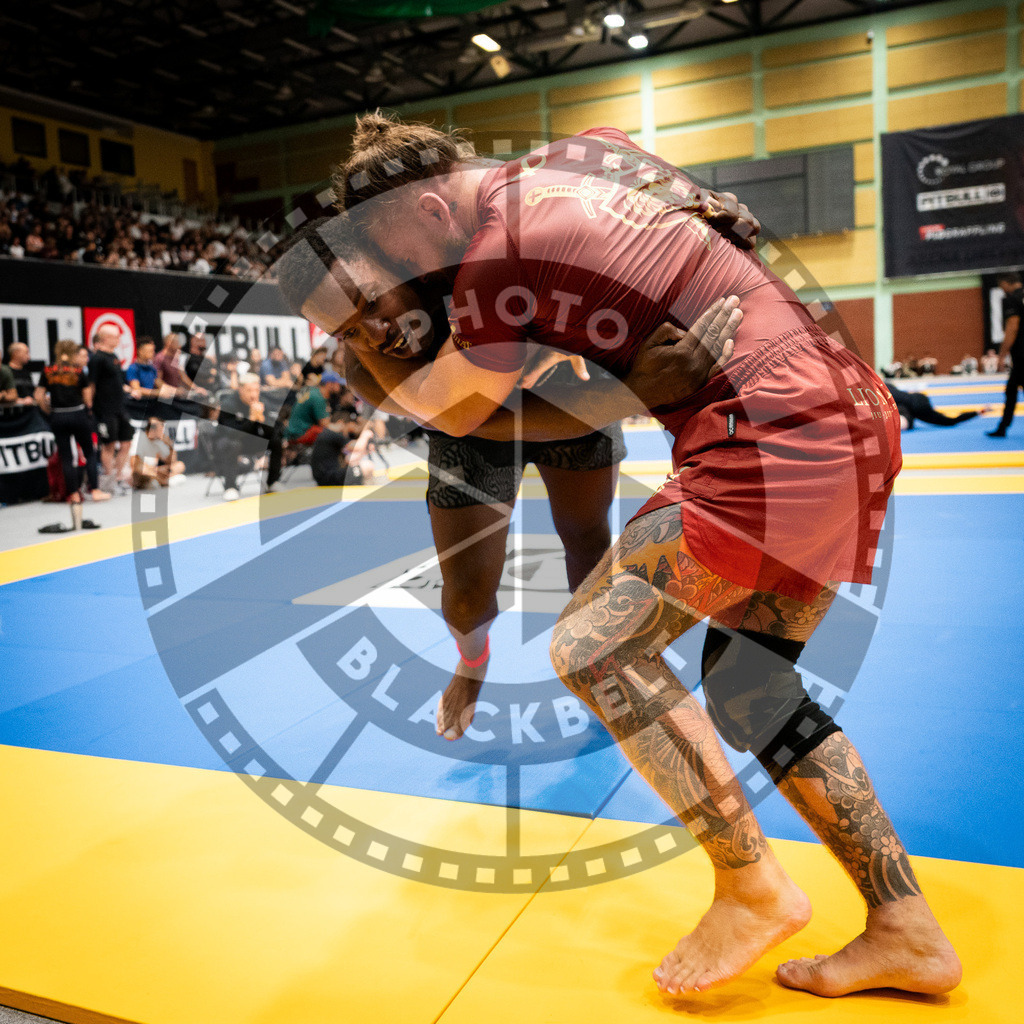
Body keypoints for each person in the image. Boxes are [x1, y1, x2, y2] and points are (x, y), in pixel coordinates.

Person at [333, 115, 961, 998]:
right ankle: (908, 930)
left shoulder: (487, 266)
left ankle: (750, 885)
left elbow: (461, 413)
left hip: (766, 434)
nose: (415, 277)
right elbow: (710, 205)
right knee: (752, 685)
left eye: (404, 255)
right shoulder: (586, 149)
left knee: (590, 644)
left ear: (433, 206)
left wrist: (370, 372)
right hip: (851, 406)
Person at [280, 211, 741, 747]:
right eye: (349, 331)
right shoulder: (365, 370)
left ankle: (604, 662)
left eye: (372, 304)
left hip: (571, 391)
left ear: (392, 258)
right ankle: (471, 661)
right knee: (466, 599)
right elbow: (472, 420)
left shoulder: (470, 261)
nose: (375, 335)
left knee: (586, 537)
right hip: (475, 420)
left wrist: (694, 212)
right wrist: (628, 394)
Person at [34, 339, 110, 506]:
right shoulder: (77, 371)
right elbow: (88, 398)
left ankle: (74, 494)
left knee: (66, 456)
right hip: (78, 414)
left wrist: (49, 410)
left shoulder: (48, 370)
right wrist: (85, 407)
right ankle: (95, 491)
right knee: (89, 453)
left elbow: (39, 396)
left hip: (58, 416)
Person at [214, 373, 283, 500]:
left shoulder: (262, 403)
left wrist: (262, 420)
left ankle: (272, 482)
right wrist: (250, 419)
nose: (253, 394)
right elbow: (231, 434)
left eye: (256, 390)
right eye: (249, 390)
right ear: (240, 389)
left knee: (275, 441)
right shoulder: (229, 404)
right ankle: (230, 487)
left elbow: (274, 432)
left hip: (250, 441)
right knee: (233, 444)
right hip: (227, 443)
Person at [88, 323, 134, 490]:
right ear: (105, 338)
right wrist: (90, 407)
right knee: (108, 444)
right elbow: (91, 385)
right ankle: (109, 480)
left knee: (126, 442)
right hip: (105, 410)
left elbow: (116, 381)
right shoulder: (96, 359)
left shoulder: (114, 356)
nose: (118, 339)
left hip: (120, 407)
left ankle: (119, 475)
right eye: (115, 336)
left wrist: (126, 388)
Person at [986, 271, 1023, 438]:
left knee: (1011, 391)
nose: (1002, 290)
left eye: (1002, 287)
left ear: (1006, 283)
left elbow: (1012, 327)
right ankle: (1002, 427)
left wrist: (1001, 355)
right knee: (1011, 390)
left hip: (1021, 356)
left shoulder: (1012, 300)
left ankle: (1002, 428)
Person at [885, 382, 987, 430]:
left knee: (949, 420)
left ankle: (977, 412)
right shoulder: (894, 394)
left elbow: (951, 421)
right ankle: (977, 412)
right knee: (949, 420)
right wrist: (977, 412)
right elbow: (951, 420)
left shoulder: (890, 392)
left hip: (909, 407)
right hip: (910, 404)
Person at [284, 368, 344, 445]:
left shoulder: (314, 391)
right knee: (331, 436)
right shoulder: (318, 398)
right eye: (338, 384)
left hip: (293, 430)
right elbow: (325, 425)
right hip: (298, 434)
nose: (340, 387)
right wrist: (338, 427)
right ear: (329, 385)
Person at [130, 417, 185, 488]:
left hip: (155, 472)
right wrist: (157, 470)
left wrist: (169, 445)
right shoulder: (139, 438)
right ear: (152, 430)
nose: (163, 432)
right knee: (143, 470)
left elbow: (171, 462)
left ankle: (162, 481)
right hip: (143, 472)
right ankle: (163, 481)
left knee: (180, 465)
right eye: (161, 429)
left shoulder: (158, 442)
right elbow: (134, 464)